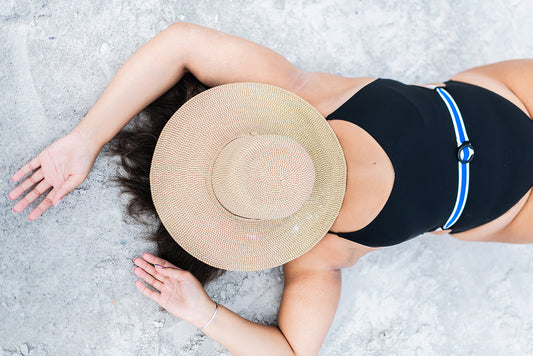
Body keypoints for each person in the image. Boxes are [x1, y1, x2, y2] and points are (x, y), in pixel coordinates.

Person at [7, 22, 533, 355]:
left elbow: (291, 352)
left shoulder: (320, 252)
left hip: (503, 185)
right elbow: (183, 43)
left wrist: (202, 312)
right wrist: (86, 139)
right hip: (495, 107)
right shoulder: (306, 96)